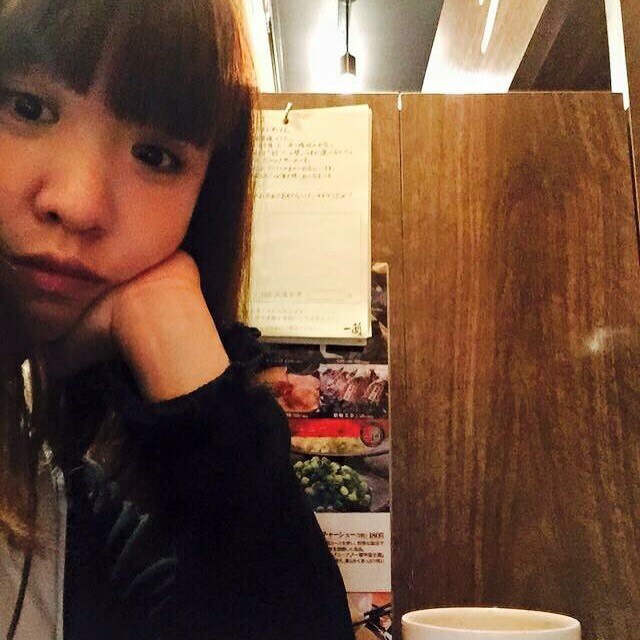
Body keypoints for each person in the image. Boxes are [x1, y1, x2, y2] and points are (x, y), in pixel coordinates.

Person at [0, 1, 354, 638]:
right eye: (28, 108)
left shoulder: (70, 490)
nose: (79, 203)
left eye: (155, 155)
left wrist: (194, 387)